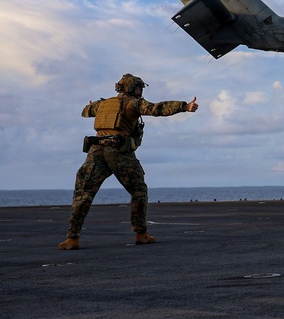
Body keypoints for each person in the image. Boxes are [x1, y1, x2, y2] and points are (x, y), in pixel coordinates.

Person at [58, 74, 199, 250]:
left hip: (96, 150)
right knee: (139, 190)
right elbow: (157, 109)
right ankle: (141, 234)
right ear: (133, 88)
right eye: (140, 88)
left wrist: (94, 104)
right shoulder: (133, 103)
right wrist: (184, 106)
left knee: (83, 193)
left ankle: (72, 238)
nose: (141, 92)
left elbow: (86, 111)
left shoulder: (103, 104)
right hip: (119, 151)